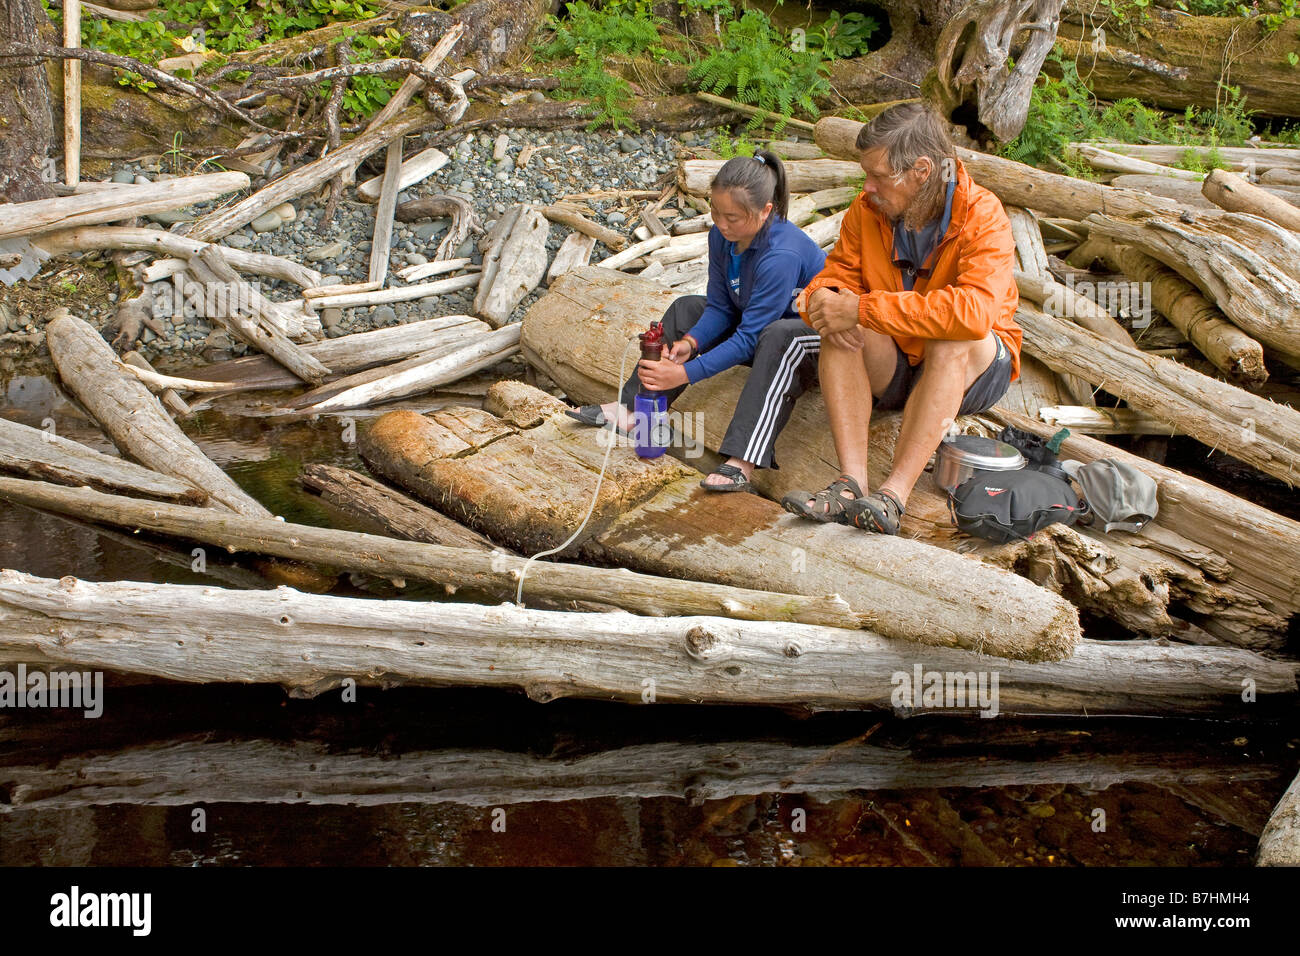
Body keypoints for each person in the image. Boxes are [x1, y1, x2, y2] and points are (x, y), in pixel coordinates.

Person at [782, 102, 1022, 533]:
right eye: (865, 173)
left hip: (973, 367)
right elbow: (835, 276)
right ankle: (850, 484)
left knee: (951, 337)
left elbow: (974, 314)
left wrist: (863, 307)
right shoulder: (868, 209)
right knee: (842, 322)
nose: (867, 185)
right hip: (899, 361)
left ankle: (894, 495)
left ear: (923, 170)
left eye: (878, 175)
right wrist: (824, 300)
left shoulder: (983, 215)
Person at [566, 149, 827, 492]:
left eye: (732, 217)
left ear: (765, 211)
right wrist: (691, 342)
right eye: (715, 211)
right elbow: (719, 306)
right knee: (687, 309)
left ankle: (742, 461)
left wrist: (686, 372)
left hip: (805, 344)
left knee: (777, 335)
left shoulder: (782, 255)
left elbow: (750, 337)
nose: (721, 223)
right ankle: (632, 411)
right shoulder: (722, 236)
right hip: (760, 327)